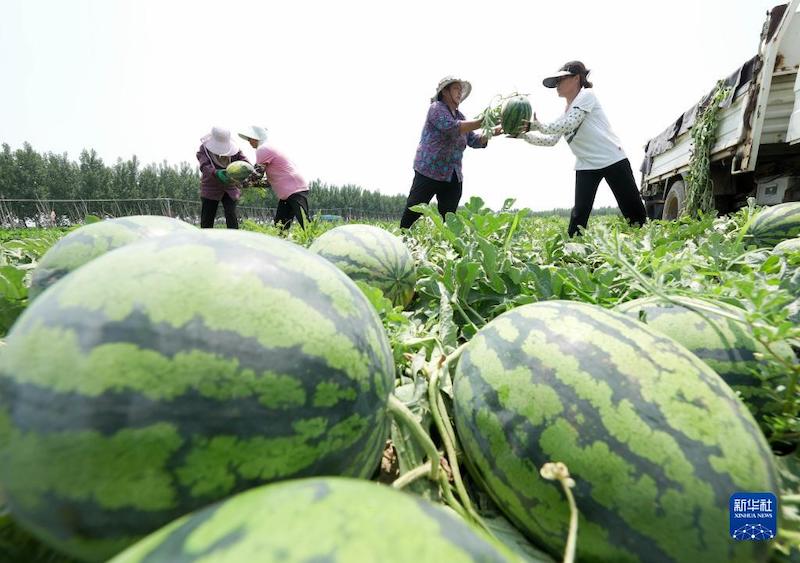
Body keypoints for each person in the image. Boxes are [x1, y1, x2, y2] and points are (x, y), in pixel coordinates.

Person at [516, 61, 647, 237]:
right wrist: (523, 135)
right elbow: (551, 141)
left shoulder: (587, 96)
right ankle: (573, 250)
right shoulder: (565, 112)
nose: (557, 85)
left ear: (576, 78)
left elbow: (571, 123)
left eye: (561, 79)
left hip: (612, 159)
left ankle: (644, 242)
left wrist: (537, 126)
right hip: (586, 164)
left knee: (633, 211)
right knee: (579, 214)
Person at [400, 76, 500, 229]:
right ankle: (402, 240)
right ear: (445, 92)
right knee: (414, 210)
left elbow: (473, 140)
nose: (459, 92)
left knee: (450, 217)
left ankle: (448, 246)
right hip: (429, 170)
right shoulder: (436, 108)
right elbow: (452, 128)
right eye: (456, 89)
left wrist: (493, 131)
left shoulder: (461, 117)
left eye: (461, 90)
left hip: (452, 175)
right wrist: (484, 121)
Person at [238, 125, 310, 231]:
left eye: (250, 139)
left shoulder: (263, 149)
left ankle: (318, 246)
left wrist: (240, 183)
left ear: (255, 138)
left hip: (295, 190)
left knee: (305, 223)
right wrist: (248, 184)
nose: (249, 142)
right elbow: (268, 182)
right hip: (288, 193)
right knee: (280, 225)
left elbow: (257, 175)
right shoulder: (268, 148)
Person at [196, 126, 250, 229]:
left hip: (230, 186)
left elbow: (245, 163)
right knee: (207, 218)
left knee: (231, 214)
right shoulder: (204, 149)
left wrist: (245, 171)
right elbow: (204, 166)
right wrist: (216, 173)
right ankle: (205, 241)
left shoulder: (235, 150)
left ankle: (234, 239)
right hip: (210, 186)